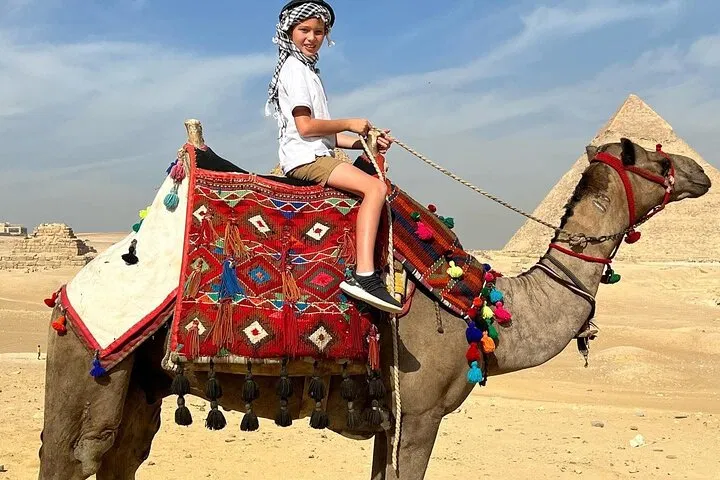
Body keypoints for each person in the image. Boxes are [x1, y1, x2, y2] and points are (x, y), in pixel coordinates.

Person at [265, 0, 402, 313]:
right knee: (375, 188)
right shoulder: (294, 70)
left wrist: (365, 142)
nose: (311, 37)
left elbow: (325, 135)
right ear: (289, 31)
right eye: (304, 30)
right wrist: (350, 122)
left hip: (315, 151)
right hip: (306, 159)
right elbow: (306, 126)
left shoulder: (308, 71)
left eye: (318, 31)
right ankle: (364, 275)